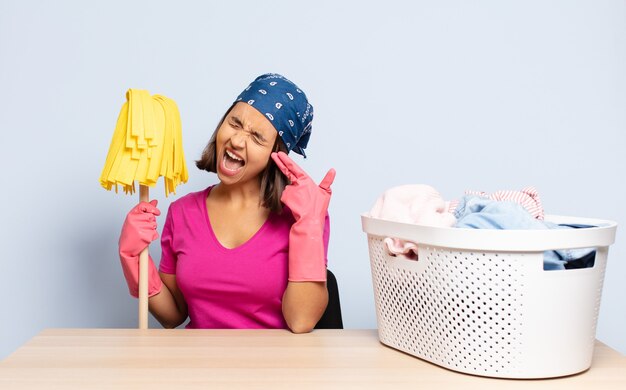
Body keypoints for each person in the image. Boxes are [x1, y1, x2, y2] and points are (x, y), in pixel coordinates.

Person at [117, 73, 335, 333]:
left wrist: (309, 225)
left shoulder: (300, 216)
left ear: (276, 155)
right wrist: (132, 258)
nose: (237, 140)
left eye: (257, 137)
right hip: (198, 367)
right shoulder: (182, 213)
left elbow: (301, 322)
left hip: (273, 370)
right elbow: (172, 315)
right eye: (235, 123)